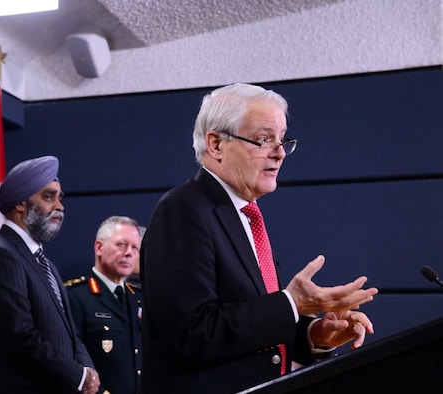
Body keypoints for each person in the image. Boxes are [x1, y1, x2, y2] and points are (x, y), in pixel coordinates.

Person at [140, 83, 379, 393]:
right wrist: (292, 303)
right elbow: (193, 333)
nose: (279, 153)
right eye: (264, 139)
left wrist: (313, 336)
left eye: (282, 140)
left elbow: (246, 322)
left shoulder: (243, 214)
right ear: (215, 144)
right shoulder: (182, 210)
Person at [0, 156, 100, 394]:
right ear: (21, 203)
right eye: (48, 197)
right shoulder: (0, 256)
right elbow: (19, 337)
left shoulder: (46, 264)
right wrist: (78, 376)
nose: (60, 206)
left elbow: (70, 333)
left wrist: (87, 372)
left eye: (60, 198)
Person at [66, 216, 144, 394]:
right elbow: (72, 361)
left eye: (135, 248)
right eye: (121, 245)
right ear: (99, 247)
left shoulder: (138, 298)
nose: (129, 253)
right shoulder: (76, 297)